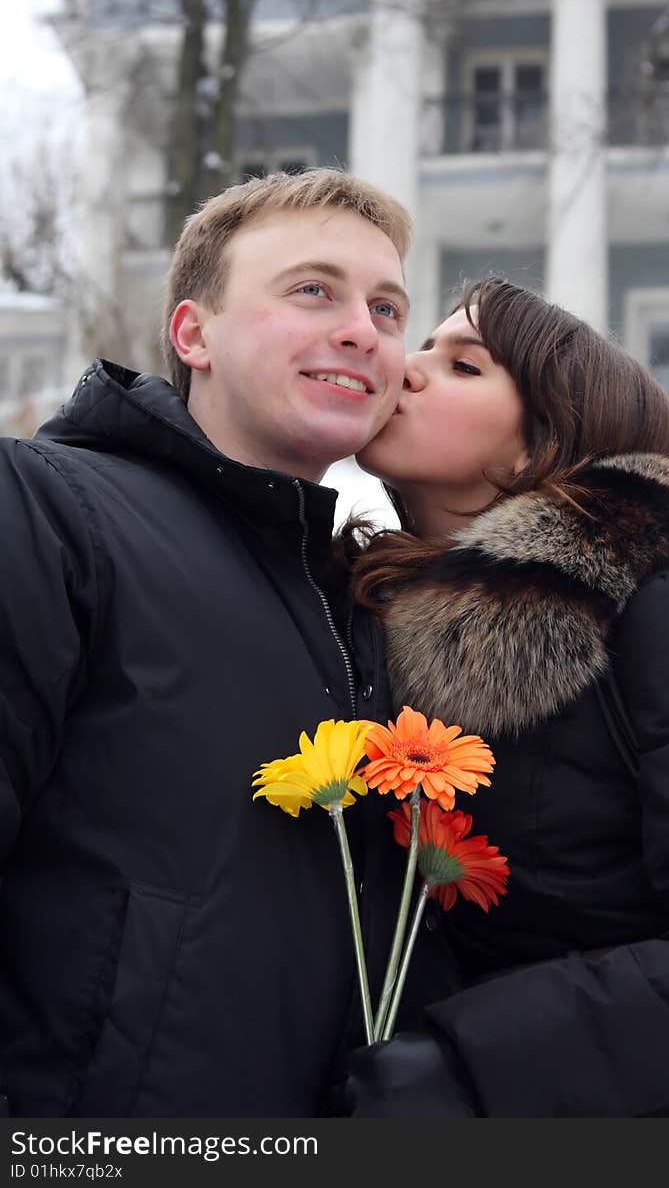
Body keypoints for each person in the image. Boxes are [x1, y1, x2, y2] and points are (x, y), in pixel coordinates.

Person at [337, 275, 669, 1117]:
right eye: (423, 344)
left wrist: (469, 1069)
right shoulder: (356, 613)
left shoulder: (651, 615)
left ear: (533, 448)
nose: (408, 367)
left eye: (464, 365)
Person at [0, 168, 455, 1117]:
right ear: (193, 333)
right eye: (311, 290)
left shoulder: (367, 595)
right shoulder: (47, 511)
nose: (362, 328)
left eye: (386, 306)